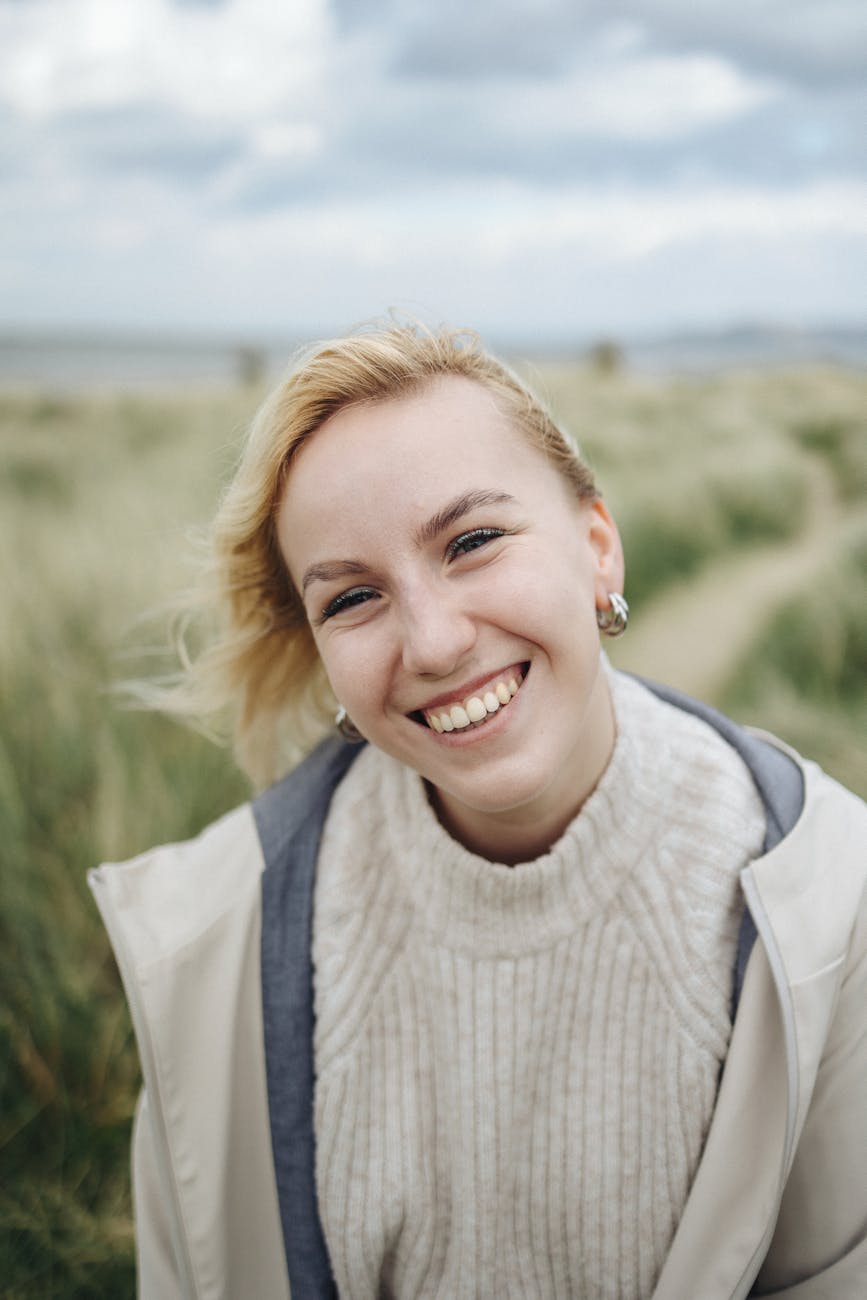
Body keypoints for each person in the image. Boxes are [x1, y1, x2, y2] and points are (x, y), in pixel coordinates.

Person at [90, 322, 867, 1300]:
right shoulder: (214, 949)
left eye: (472, 541)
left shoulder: (835, 909)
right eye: (353, 598)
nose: (434, 640)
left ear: (597, 548)